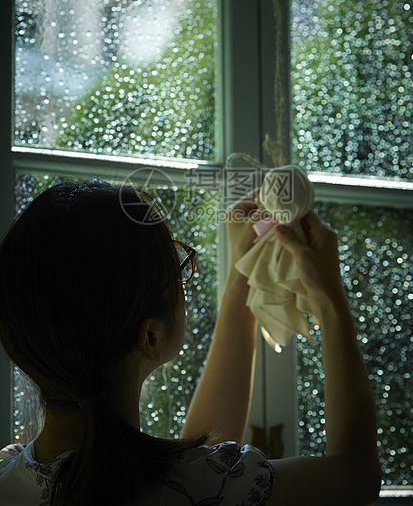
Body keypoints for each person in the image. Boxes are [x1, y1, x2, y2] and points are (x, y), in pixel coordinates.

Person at [0, 180, 381, 505]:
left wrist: (241, 278)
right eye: (179, 267)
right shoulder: (191, 487)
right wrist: (331, 301)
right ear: (151, 336)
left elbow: (203, 472)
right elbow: (358, 474)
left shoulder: (9, 473)